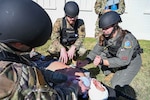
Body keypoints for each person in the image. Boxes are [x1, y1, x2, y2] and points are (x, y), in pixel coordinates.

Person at [0, 0, 81, 99]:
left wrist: (46, 74)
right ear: (18, 44)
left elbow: (81, 38)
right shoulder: (13, 76)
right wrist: (75, 89)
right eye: (30, 45)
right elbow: (50, 98)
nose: (33, 49)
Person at [77, 11, 143, 92]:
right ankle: (110, 73)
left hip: (131, 62)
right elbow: (96, 51)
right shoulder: (105, 36)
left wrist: (102, 61)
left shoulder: (127, 39)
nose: (104, 31)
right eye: (103, 29)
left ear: (115, 26)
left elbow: (123, 60)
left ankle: (118, 73)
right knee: (101, 54)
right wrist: (86, 61)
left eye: (106, 28)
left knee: (116, 85)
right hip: (117, 56)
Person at [47, 1, 86, 65]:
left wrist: (74, 47)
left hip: (72, 45)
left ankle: (74, 57)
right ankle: (58, 57)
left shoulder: (80, 23)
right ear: (66, 15)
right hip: (62, 44)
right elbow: (54, 38)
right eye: (70, 18)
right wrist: (61, 48)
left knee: (82, 50)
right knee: (52, 49)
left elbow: (81, 37)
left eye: (74, 17)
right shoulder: (59, 22)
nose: (72, 20)